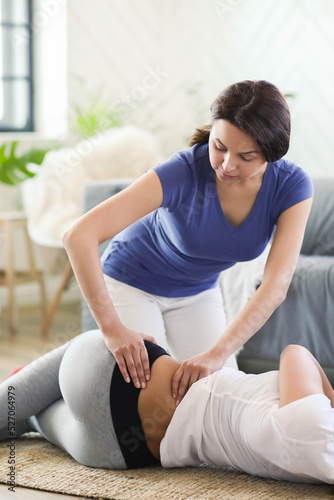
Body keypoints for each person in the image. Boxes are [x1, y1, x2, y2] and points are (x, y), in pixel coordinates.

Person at [62, 80, 314, 404]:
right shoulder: (183, 171)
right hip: (131, 281)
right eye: (219, 146)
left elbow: (275, 285)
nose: (227, 165)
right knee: (150, 401)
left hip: (198, 293)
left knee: (222, 398)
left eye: (246, 156)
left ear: (272, 152)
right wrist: (112, 330)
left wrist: (218, 353)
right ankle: (36, 403)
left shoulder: (291, 187)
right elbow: (78, 236)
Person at [0, 330, 333, 484]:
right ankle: (27, 401)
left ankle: (20, 384)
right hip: (119, 454)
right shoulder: (319, 467)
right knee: (26, 416)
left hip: (117, 380)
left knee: (19, 396)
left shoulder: (315, 422)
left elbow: (295, 352)